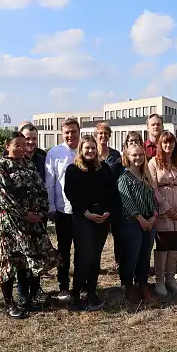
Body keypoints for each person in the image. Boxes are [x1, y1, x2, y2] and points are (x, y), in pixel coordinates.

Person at [0, 132, 59, 318]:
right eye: (17, 145)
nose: (21, 148)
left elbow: (41, 191)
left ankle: (27, 299)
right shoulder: (0, 166)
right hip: (11, 224)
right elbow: (3, 196)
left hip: (32, 224)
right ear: (8, 147)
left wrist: (41, 213)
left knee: (28, 262)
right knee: (10, 261)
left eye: (23, 145)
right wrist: (24, 215)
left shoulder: (29, 165)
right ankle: (9, 303)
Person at [64, 134, 117, 311]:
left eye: (93, 148)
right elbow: (71, 194)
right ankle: (76, 294)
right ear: (81, 150)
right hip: (83, 218)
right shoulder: (73, 170)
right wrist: (87, 213)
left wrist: (108, 210)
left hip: (102, 218)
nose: (90, 151)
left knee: (95, 257)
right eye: (87, 148)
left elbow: (112, 192)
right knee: (84, 258)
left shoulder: (105, 169)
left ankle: (92, 292)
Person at [148, 131, 177, 297]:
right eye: (165, 143)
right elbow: (153, 187)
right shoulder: (153, 163)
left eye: (171, 143)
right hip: (163, 209)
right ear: (160, 144)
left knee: (174, 243)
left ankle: (170, 280)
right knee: (162, 243)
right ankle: (159, 281)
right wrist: (166, 207)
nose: (168, 146)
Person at [116, 144, 158, 304]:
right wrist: (140, 219)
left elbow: (153, 198)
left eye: (141, 155)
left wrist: (154, 216)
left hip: (149, 221)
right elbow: (127, 202)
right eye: (134, 155)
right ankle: (128, 285)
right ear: (128, 157)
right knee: (131, 256)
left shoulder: (146, 176)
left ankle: (143, 285)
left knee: (145, 255)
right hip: (132, 222)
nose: (138, 158)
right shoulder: (124, 178)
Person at [45, 117, 81, 302]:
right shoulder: (54, 153)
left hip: (83, 211)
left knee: (82, 251)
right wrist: (51, 207)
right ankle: (63, 286)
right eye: (67, 132)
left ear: (79, 131)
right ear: (62, 133)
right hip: (63, 210)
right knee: (64, 251)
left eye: (73, 131)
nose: (70, 135)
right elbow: (50, 183)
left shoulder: (86, 149)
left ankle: (79, 286)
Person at [96, 121, 124, 268]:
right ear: (96, 135)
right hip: (99, 201)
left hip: (115, 200)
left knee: (118, 235)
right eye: (100, 133)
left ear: (109, 136)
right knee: (98, 236)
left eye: (106, 133)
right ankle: (96, 264)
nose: (103, 136)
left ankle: (119, 262)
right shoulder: (92, 154)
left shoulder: (115, 155)